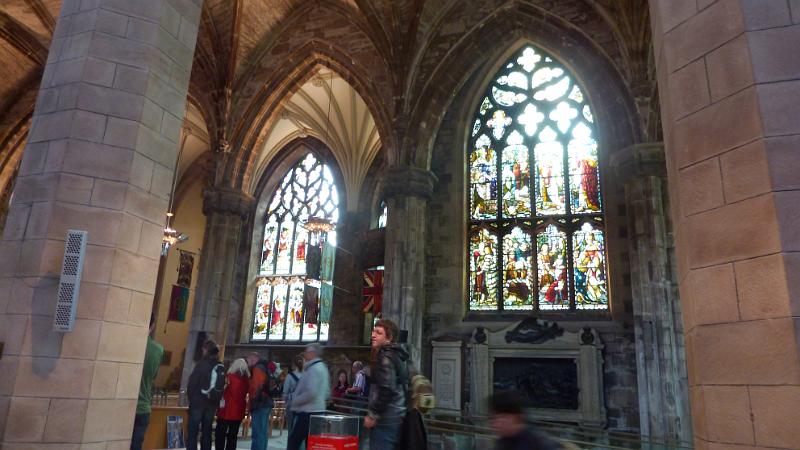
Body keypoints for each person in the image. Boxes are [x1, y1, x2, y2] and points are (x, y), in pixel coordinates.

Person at [364, 319, 409, 450]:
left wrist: (373, 414)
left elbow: (387, 389)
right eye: (373, 331)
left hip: (386, 418)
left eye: (378, 333)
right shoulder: (398, 355)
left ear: (389, 338)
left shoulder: (385, 357)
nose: (373, 335)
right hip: (397, 415)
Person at [287, 343, 330, 450]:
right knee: (311, 444)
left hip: (309, 412)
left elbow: (311, 393)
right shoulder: (322, 367)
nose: (305, 354)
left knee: (294, 442)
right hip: (318, 411)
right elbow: (327, 392)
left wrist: (295, 401)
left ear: (312, 353)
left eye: (307, 351)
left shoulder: (314, 369)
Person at [131, 314, 164, 450]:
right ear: (152, 326)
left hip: (123, 405)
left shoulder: (129, 344)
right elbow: (154, 375)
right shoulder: (158, 350)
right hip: (143, 406)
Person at [489, 390, 565, 450]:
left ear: (517, 418)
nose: (495, 424)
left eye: (501, 417)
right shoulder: (504, 441)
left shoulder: (539, 444)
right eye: (493, 418)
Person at [187, 340, 222, 450]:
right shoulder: (220, 365)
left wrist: (191, 398)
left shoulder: (202, 364)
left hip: (198, 401)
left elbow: (192, 383)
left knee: (193, 430)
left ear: (206, 350)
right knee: (207, 430)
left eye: (203, 349)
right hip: (212, 403)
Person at [215, 358, 250, 450]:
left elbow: (221, 390)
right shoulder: (247, 380)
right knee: (233, 435)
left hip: (226, 410)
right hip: (239, 410)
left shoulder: (229, 377)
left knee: (220, 434)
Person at [246, 353, 276, 450]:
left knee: (258, 432)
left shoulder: (258, 368)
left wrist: (252, 401)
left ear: (254, 359)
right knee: (263, 432)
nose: (248, 363)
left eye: (249, 360)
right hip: (266, 402)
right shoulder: (266, 367)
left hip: (260, 404)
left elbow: (256, 387)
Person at [282, 354, 304, 438]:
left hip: (292, 405)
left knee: (291, 429)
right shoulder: (306, 376)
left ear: (294, 364)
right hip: (304, 405)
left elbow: (285, 393)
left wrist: (285, 403)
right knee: (301, 430)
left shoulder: (289, 376)